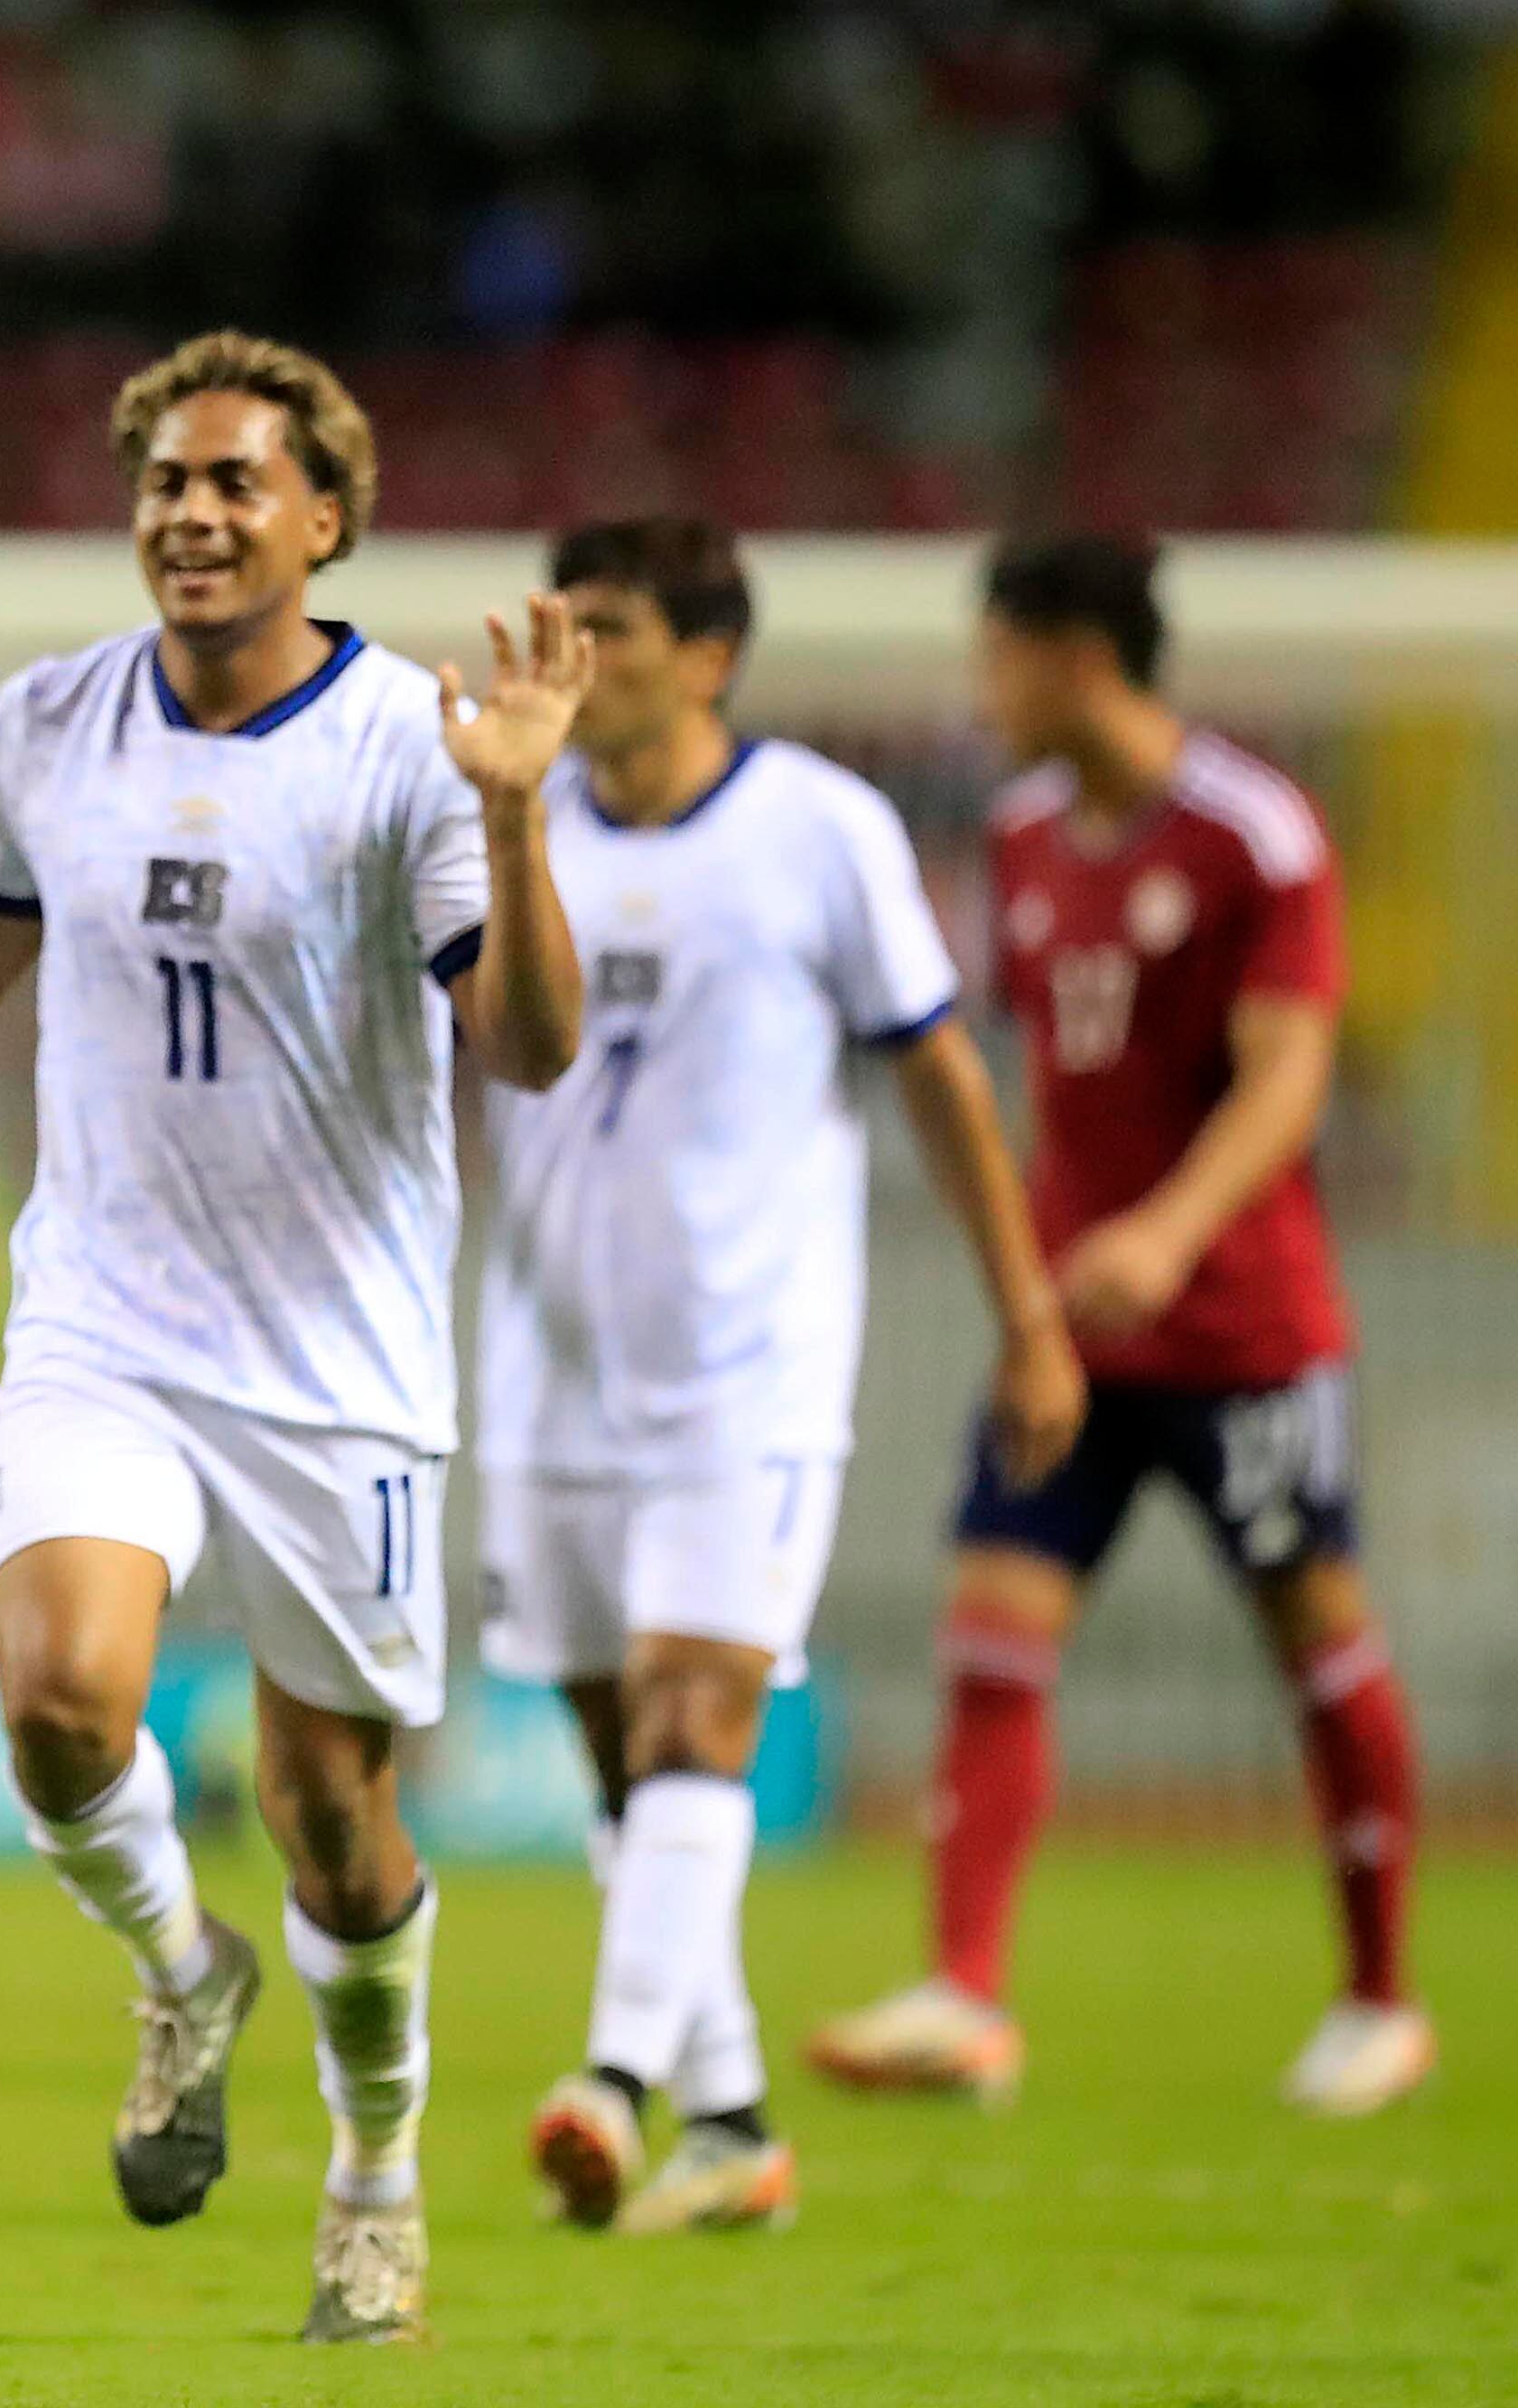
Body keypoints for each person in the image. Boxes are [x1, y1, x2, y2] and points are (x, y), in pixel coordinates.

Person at [0, 329, 586, 2344]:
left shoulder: (412, 738)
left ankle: (374, 2180)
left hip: (341, 1363)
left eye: (235, 486)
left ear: (323, 521)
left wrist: (526, 818)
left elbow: (535, 1044)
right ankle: (175, 1966)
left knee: (332, 1814)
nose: (193, 515)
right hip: (105, 1325)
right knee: (57, 1701)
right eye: (164, 484)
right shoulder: (50, 724)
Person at [473, 518, 1083, 2236]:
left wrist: (1026, 1314)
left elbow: (942, 1078)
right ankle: (732, 2122)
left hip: (749, 1372)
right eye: (565, 622)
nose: (575, 655)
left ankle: (609, 2079)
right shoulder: (518, 826)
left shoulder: (820, 829)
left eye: (612, 627)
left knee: (697, 1724)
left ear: (711, 653)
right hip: (547, 1368)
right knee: (625, 1768)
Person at [810, 536, 1430, 2117]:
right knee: (993, 1632)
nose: (979, 691)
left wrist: (1168, 1231)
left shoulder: (1255, 835)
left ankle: (1379, 1997)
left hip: (1245, 1332)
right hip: (1071, 1333)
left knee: (1316, 1640)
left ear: (1077, 655)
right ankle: (967, 1995)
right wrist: (1045, 1270)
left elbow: (1290, 1069)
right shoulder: (1022, 837)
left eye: (996, 655)